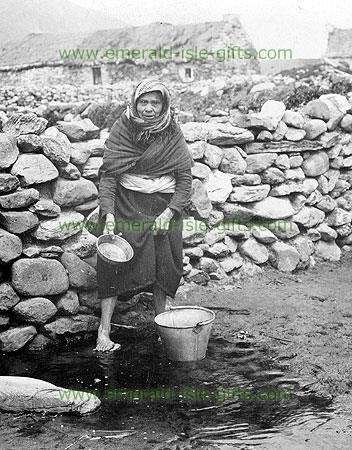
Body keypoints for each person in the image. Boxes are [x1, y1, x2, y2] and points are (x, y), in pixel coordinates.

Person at [94, 78, 193, 352]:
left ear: (164, 105)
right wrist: (109, 214)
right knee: (113, 263)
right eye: (144, 102)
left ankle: (163, 327)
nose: (149, 109)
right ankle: (104, 330)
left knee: (164, 263)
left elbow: (185, 178)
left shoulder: (172, 131)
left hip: (163, 205)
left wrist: (171, 210)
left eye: (155, 103)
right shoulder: (123, 128)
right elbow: (110, 178)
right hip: (127, 203)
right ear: (135, 103)